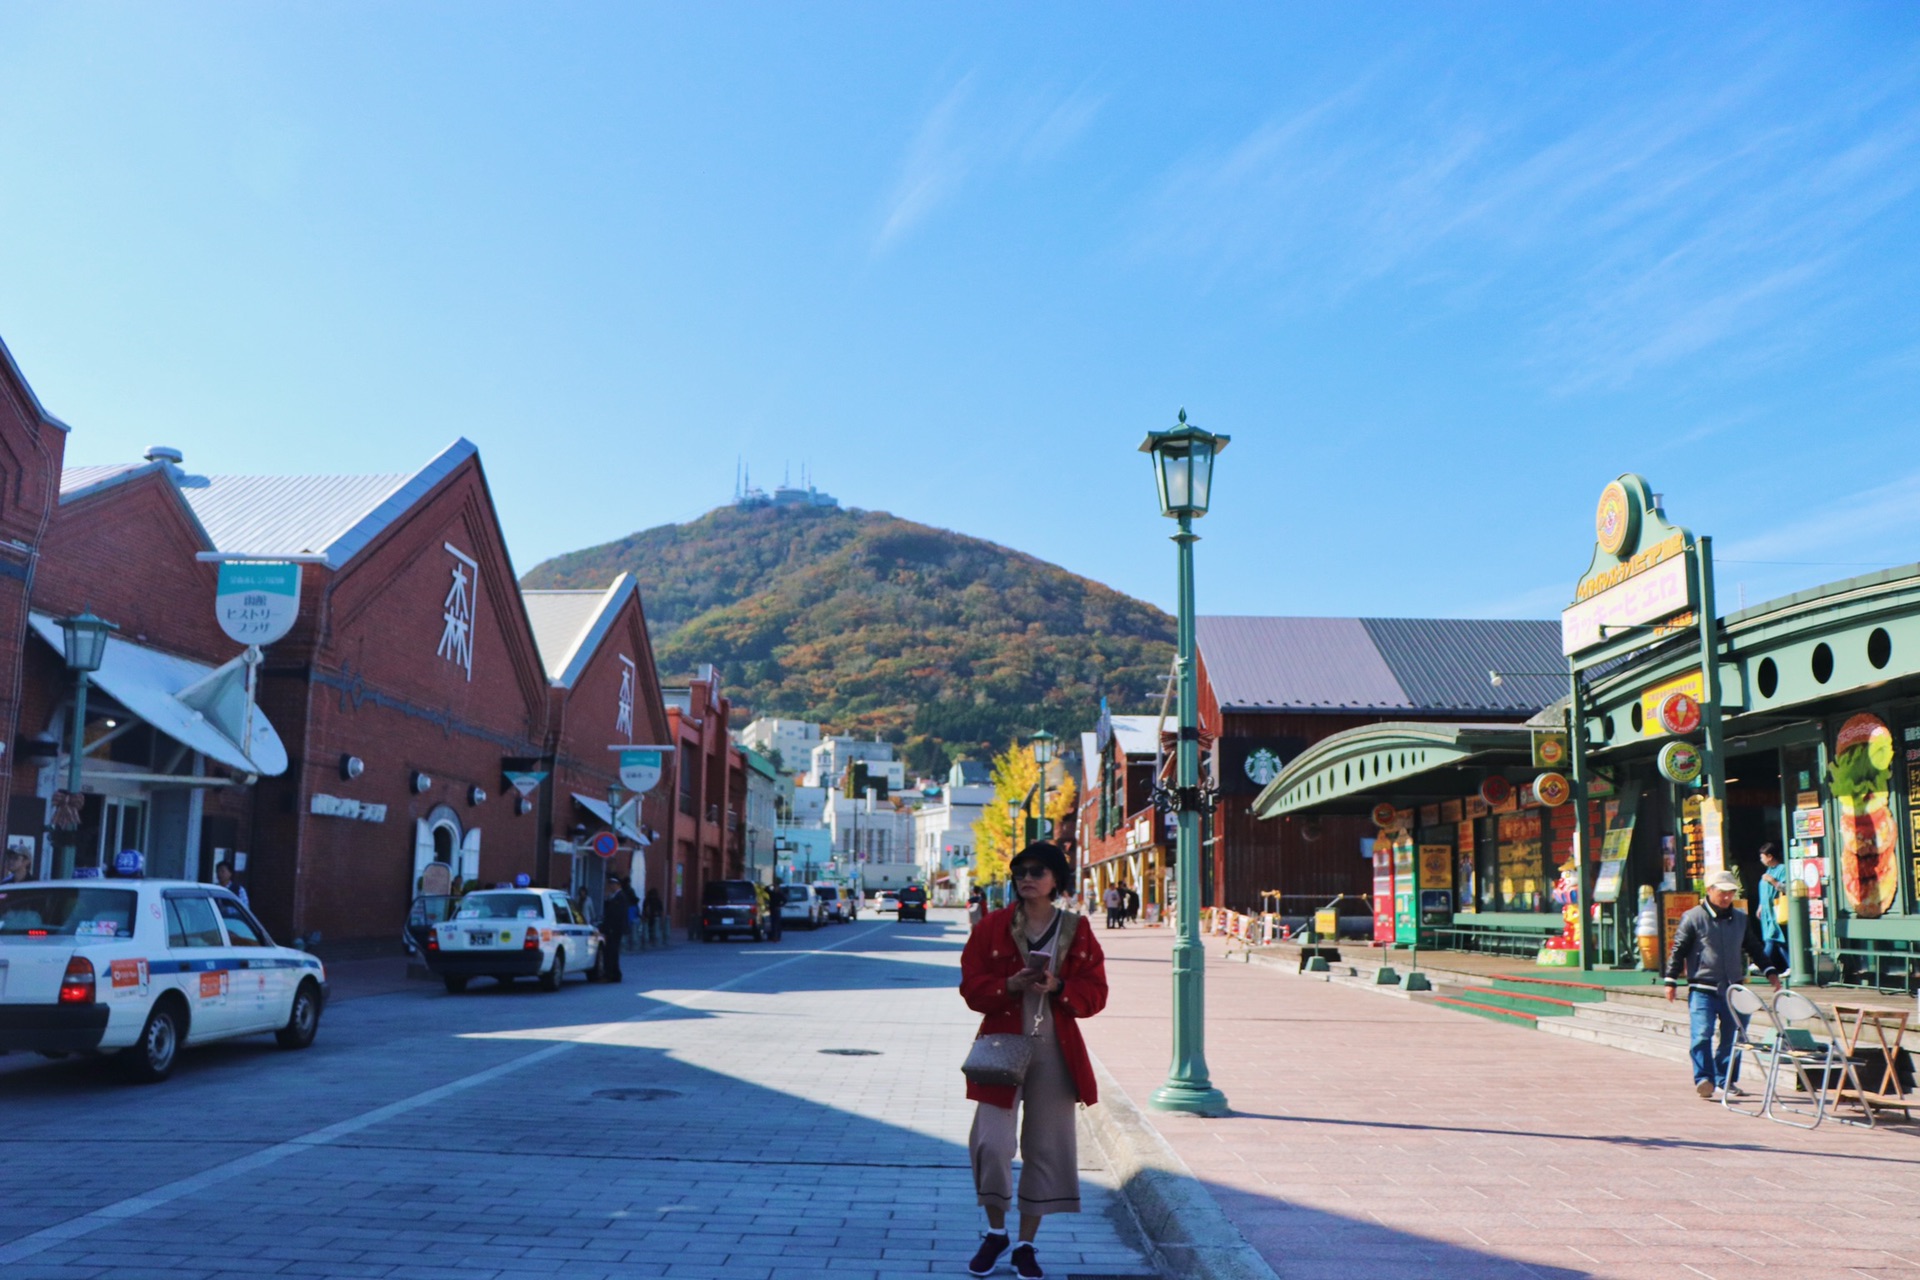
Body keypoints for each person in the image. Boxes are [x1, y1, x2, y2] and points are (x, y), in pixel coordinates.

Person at [959, 841, 1107, 1280]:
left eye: (1038, 871)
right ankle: (994, 1231)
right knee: (991, 1142)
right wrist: (1010, 984)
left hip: (1055, 1049)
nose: (1027, 877)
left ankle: (1026, 1244)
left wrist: (1059, 987)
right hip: (1001, 1044)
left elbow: (1096, 993)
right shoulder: (993, 926)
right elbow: (971, 986)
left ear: (1056, 880)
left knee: (1047, 1147)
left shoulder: (1076, 930)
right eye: (1020, 870)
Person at [1664, 868, 1780, 1099]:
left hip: (1734, 988)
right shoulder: (1693, 917)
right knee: (1702, 1034)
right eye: (1723, 892)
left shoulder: (1740, 918)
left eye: (1731, 893)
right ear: (1710, 890)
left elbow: (1754, 947)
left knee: (1735, 1036)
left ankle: (1725, 1079)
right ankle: (1704, 1078)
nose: (1727, 897)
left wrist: (1770, 972)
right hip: (1703, 987)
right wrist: (1671, 980)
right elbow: (1679, 950)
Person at [1757, 844, 1790, 976]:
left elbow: (1787, 888)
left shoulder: (1782, 869)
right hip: (1767, 910)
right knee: (1778, 940)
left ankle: (1761, 963)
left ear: (1770, 857)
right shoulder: (1768, 871)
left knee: (1772, 937)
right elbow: (1764, 892)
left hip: (1776, 909)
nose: (1761, 860)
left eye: (1762, 857)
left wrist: (1773, 881)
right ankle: (1791, 965)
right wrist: (1760, 905)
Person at [599, 875, 637, 981]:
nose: (611, 886)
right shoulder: (614, 896)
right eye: (610, 884)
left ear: (618, 885)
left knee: (612, 952)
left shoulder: (621, 897)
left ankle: (611, 975)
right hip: (611, 929)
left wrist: (611, 928)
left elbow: (618, 915)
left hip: (615, 929)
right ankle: (614, 974)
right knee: (611, 952)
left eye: (613, 884)